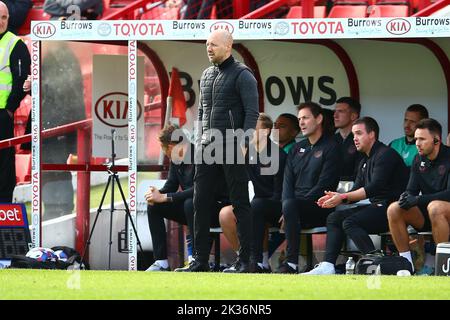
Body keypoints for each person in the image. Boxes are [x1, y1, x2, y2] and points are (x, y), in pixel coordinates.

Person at [176, 30, 259, 272]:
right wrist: (200, 139)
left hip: (233, 145)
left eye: (213, 44)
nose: (208, 48)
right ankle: (200, 261)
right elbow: (202, 111)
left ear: (228, 46)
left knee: (240, 204)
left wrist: (243, 143)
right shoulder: (207, 74)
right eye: (206, 44)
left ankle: (247, 261)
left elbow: (252, 112)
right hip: (207, 148)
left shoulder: (244, 75)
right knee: (199, 202)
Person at [302, 117, 409, 275]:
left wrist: (343, 197)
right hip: (377, 208)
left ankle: (376, 261)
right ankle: (328, 265)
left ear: (372, 134)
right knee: (334, 218)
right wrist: (337, 196)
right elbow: (357, 190)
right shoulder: (364, 159)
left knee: (350, 222)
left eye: (359, 133)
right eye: (353, 135)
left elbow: (374, 188)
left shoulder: (385, 154)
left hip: (393, 209)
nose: (355, 139)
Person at [218, 113, 286, 273]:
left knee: (256, 207)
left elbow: (281, 191)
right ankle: (244, 259)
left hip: (275, 205)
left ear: (266, 132)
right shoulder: (246, 153)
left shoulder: (279, 155)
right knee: (225, 214)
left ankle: (259, 261)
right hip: (253, 204)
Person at [277, 102, 340, 273]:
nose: (301, 122)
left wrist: (291, 206)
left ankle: (291, 263)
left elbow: (324, 185)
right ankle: (257, 261)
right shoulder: (297, 148)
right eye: (299, 119)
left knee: (290, 205)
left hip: (319, 206)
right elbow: (287, 182)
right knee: (259, 206)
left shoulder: (332, 146)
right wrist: (286, 207)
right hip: (292, 207)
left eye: (305, 118)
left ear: (319, 119)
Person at [387, 118, 450, 272]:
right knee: (394, 208)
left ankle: (442, 266)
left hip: (443, 211)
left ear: (436, 140)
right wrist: (406, 197)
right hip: (429, 213)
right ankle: (406, 265)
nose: (417, 143)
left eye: (422, 139)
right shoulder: (418, 159)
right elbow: (411, 190)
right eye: (416, 139)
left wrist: (418, 200)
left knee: (435, 207)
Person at [0, 1, 30, 203]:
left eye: (4, 18)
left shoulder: (15, 44)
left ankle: (2, 210)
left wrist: (10, 108)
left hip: (2, 115)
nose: (1, 22)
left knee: (3, 168)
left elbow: (21, 80)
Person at [333, 97, 362, 181]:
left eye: (340, 111)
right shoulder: (330, 140)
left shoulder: (362, 140)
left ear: (353, 116)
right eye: (335, 112)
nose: (335, 115)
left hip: (354, 190)